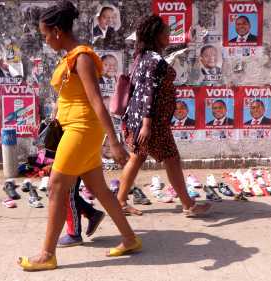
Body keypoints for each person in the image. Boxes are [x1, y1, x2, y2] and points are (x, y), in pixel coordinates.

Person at [18, 1, 139, 271]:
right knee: (101, 190)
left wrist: (115, 143)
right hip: (74, 128)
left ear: (58, 31)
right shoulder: (71, 56)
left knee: (56, 187)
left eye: (46, 34)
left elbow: (97, 102)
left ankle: (47, 254)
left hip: (82, 128)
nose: (46, 40)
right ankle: (130, 239)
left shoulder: (82, 57)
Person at [117, 14, 211, 217]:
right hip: (152, 124)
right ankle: (188, 205)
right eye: (166, 34)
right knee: (172, 159)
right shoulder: (155, 60)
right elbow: (149, 93)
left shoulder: (142, 57)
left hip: (139, 119)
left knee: (137, 157)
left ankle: (120, 201)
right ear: (156, 35)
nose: (170, 37)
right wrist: (147, 125)